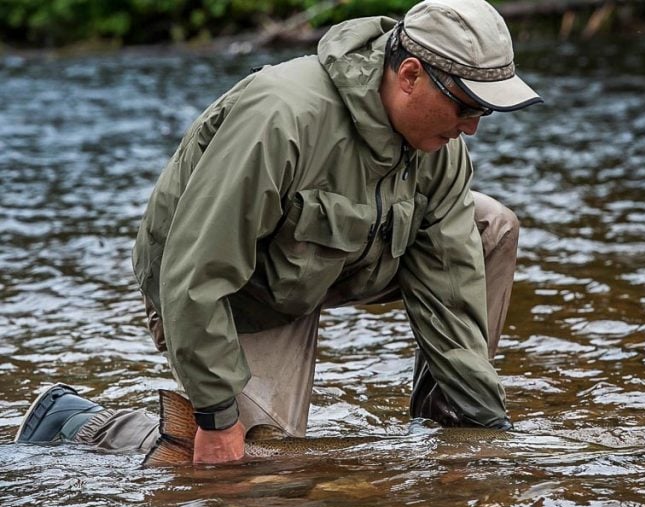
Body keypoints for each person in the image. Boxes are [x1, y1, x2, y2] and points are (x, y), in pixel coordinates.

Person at [15, 0, 541, 464]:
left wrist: (486, 437)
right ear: (408, 74)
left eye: (485, 111)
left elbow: (450, 292)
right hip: (228, 294)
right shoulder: (281, 116)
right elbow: (192, 274)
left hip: (329, 264)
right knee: (256, 465)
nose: (472, 126)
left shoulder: (440, 149)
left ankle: (441, 427)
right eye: (467, 105)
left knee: (490, 224)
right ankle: (79, 421)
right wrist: (217, 416)